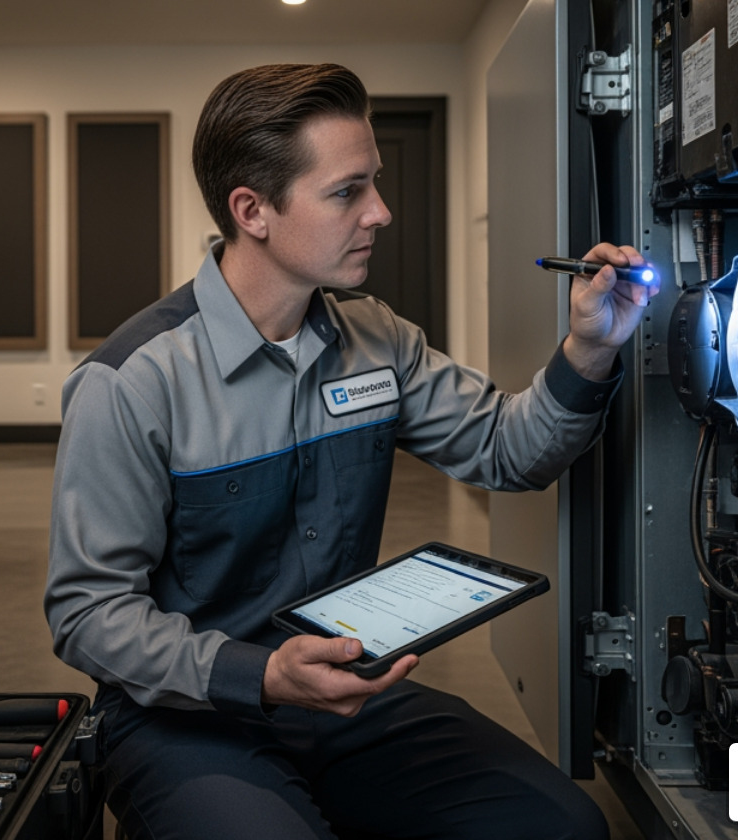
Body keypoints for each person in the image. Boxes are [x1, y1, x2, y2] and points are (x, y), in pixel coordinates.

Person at [45, 63, 653, 840]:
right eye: (347, 192)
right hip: (190, 714)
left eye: (377, 184)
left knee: (564, 826)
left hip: (348, 696)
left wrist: (590, 348)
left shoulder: (379, 339)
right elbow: (88, 612)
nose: (381, 213)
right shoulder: (132, 382)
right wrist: (259, 673)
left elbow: (510, 451)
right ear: (252, 210)